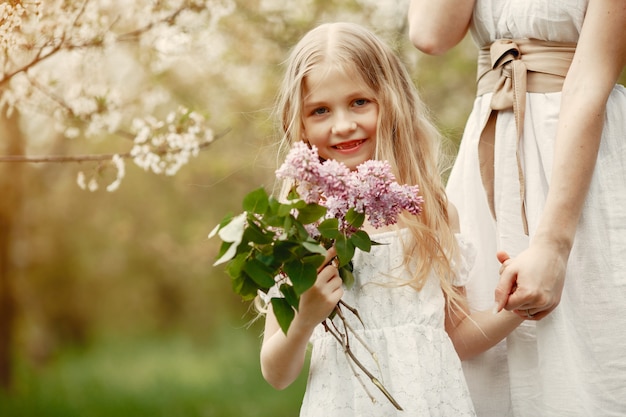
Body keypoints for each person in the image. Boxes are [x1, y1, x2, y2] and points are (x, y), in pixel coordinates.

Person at [258, 22, 526, 417]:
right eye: (320, 110)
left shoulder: (431, 213)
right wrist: (305, 317)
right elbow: (276, 372)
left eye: (360, 102)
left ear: (391, 101)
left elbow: (456, 336)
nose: (343, 124)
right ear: (299, 122)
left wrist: (516, 307)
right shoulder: (301, 228)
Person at [408, 1, 626, 417]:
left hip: (579, 162)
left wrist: (553, 244)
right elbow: (430, 34)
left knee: (587, 360)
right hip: (493, 147)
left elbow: (590, 82)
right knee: (488, 365)